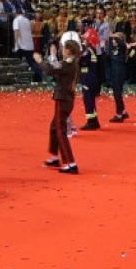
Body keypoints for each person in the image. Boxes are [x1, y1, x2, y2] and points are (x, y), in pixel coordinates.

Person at [34, 39, 80, 174]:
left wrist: (40, 61)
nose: (62, 51)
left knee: (60, 130)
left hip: (63, 98)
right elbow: (56, 68)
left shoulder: (68, 63)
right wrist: (53, 56)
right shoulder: (70, 63)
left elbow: (50, 70)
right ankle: (55, 156)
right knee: (55, 127)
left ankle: (70, 162)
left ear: (68, 51)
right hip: (65, 97)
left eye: (64, 48)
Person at [78, 28, 102, 131]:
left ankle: (91, 122)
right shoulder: (93, 51)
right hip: (91, 79)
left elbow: (81, 62)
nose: (83, 41)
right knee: (91, 101)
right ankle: (95, 121)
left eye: (85, 39)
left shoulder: (87, 51)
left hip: (87, 79)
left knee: (88, 101)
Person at [106, 31, 129, 123]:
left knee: (117, 93)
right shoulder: (114, 49)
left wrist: (113, 36)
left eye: (115, 39)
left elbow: (121, 44)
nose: (113, 41)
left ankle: (119, 114)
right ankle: (123, 111)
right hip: (114, 71)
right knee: (116, 93)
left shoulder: (122, 48)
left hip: (119, 72)